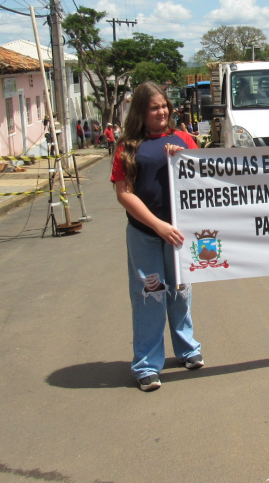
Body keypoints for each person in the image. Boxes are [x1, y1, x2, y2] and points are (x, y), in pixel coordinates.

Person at [110, 83, 203, 392]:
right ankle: (147, 365)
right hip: (145, 235)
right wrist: (157, 225)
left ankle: (188, 350)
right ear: (141, 111)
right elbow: (124, 194)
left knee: (180, 292)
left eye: (164, 106)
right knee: (150, 296)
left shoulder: (183, 137)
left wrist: (185, 155)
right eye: (154, 107)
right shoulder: (127, 146)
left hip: (180, 235)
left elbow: (205, 174)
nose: (161, 112)